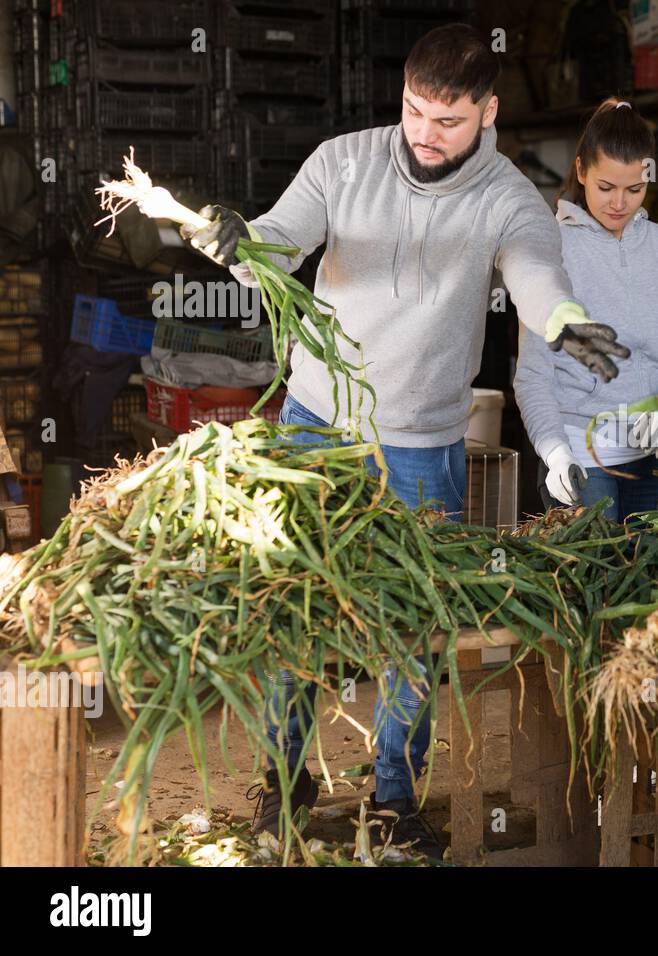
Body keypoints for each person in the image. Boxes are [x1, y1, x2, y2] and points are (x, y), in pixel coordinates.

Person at [179, 25, 631, 854]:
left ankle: (393, 797)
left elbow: (537, 272)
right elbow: (282, 241)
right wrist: (240, 243)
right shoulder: (344, 161)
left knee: (414, 630)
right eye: (415, 111)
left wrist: (565, 323)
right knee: (293, 608)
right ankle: (282, 776)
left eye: (449, 121)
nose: (425, 133)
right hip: (316, 425)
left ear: (488, 113)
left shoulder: (507, 196)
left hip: (423, 442)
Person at [515, 99, 658, 523]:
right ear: (582, 170)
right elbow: (533, 375)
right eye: (606, 187)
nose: (619, 203)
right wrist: (553, 451)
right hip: (582, 458)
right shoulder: (550, 249)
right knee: (598, 580)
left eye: (634, 188)